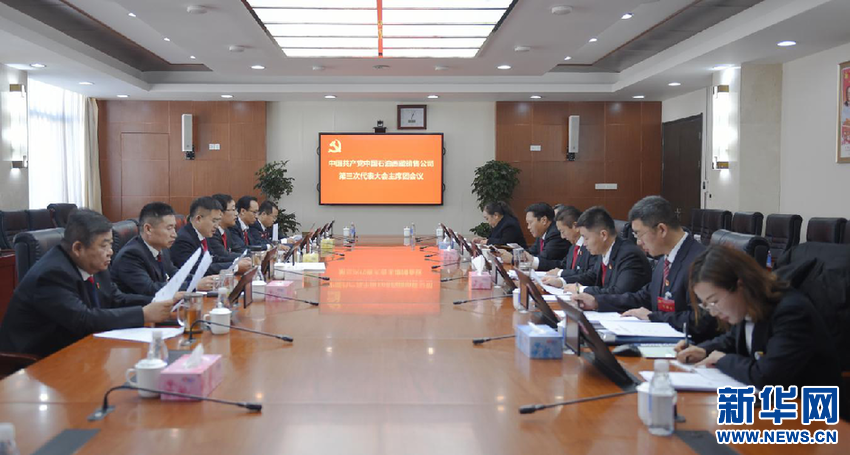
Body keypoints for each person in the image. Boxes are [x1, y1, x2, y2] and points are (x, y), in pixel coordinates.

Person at [0, 210, 181, 357]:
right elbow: (83, 320)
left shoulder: (94, 263)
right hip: (33, 361)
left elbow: (115, 299)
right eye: (104, 245)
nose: (110, 252)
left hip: (76, 349)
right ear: (78, 248)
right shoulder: (52, 274)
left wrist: (160, 301)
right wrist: (143, 314)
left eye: (110, 244)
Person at [675, 246, 841, 389]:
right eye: (706, 305)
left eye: (714, 301)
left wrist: (722, 360)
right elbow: (733, 339)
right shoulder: (749, 305)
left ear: (740, 285)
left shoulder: (792, 312)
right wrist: (703, 350)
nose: (713, 312)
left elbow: (766, 377)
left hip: (811, 409)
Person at [569, 197, 716, 340]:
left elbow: (702, 320)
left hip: (690, 347)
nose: (638, 242)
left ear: (662, 230)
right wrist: (597, 302)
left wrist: (653, 316)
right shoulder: (665, 258)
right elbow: (644, 297)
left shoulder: (700, 262)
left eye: (639, 234)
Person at [111, 202, 214, 296]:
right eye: (169, 228)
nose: (174, 234)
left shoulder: (162, 248)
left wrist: (201, 280)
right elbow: (150, 289)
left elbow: (176, 274)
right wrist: (194, 285)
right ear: (148, 229)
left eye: (174, 228)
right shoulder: (130, 255)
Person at [558, 206, 651, 295]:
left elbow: (619, 293)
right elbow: (591, 276)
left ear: (603, 235)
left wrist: (581, 290)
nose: (584, 244)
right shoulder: (604, 250)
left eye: (586, 238)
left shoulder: (629, 255)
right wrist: (562, 282)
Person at [171, 197, 250, 275]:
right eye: (214, 221)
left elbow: (213, 258)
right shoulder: (183, 239)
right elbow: (195, 269)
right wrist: (234, 266)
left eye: (218, 221)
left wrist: (237, 261)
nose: (217, 226)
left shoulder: (204, 234)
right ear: (198, 219)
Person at [499, 202, 569, 270]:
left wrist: (513, 259)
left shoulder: (556, 234)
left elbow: (542, 258)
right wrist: (510, 254)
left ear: (544, 220)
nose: (528, 227)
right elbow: (532, 251)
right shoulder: (542, 233)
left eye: (530, 223)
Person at [541, 206, 597, 283]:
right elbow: (563, 265)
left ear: (575, 227)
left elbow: (589, 274)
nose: (562, 237)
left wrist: (561, 276)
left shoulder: (592, 247)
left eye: (563, 231)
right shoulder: (573, 247)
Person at [209, 193, 243, 261]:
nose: (236, 214)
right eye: (233, 209)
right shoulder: (212, 233)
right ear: (220, 213)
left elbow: (238, 249)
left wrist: (254, 254)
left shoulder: (226, 231)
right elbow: (224, 255)